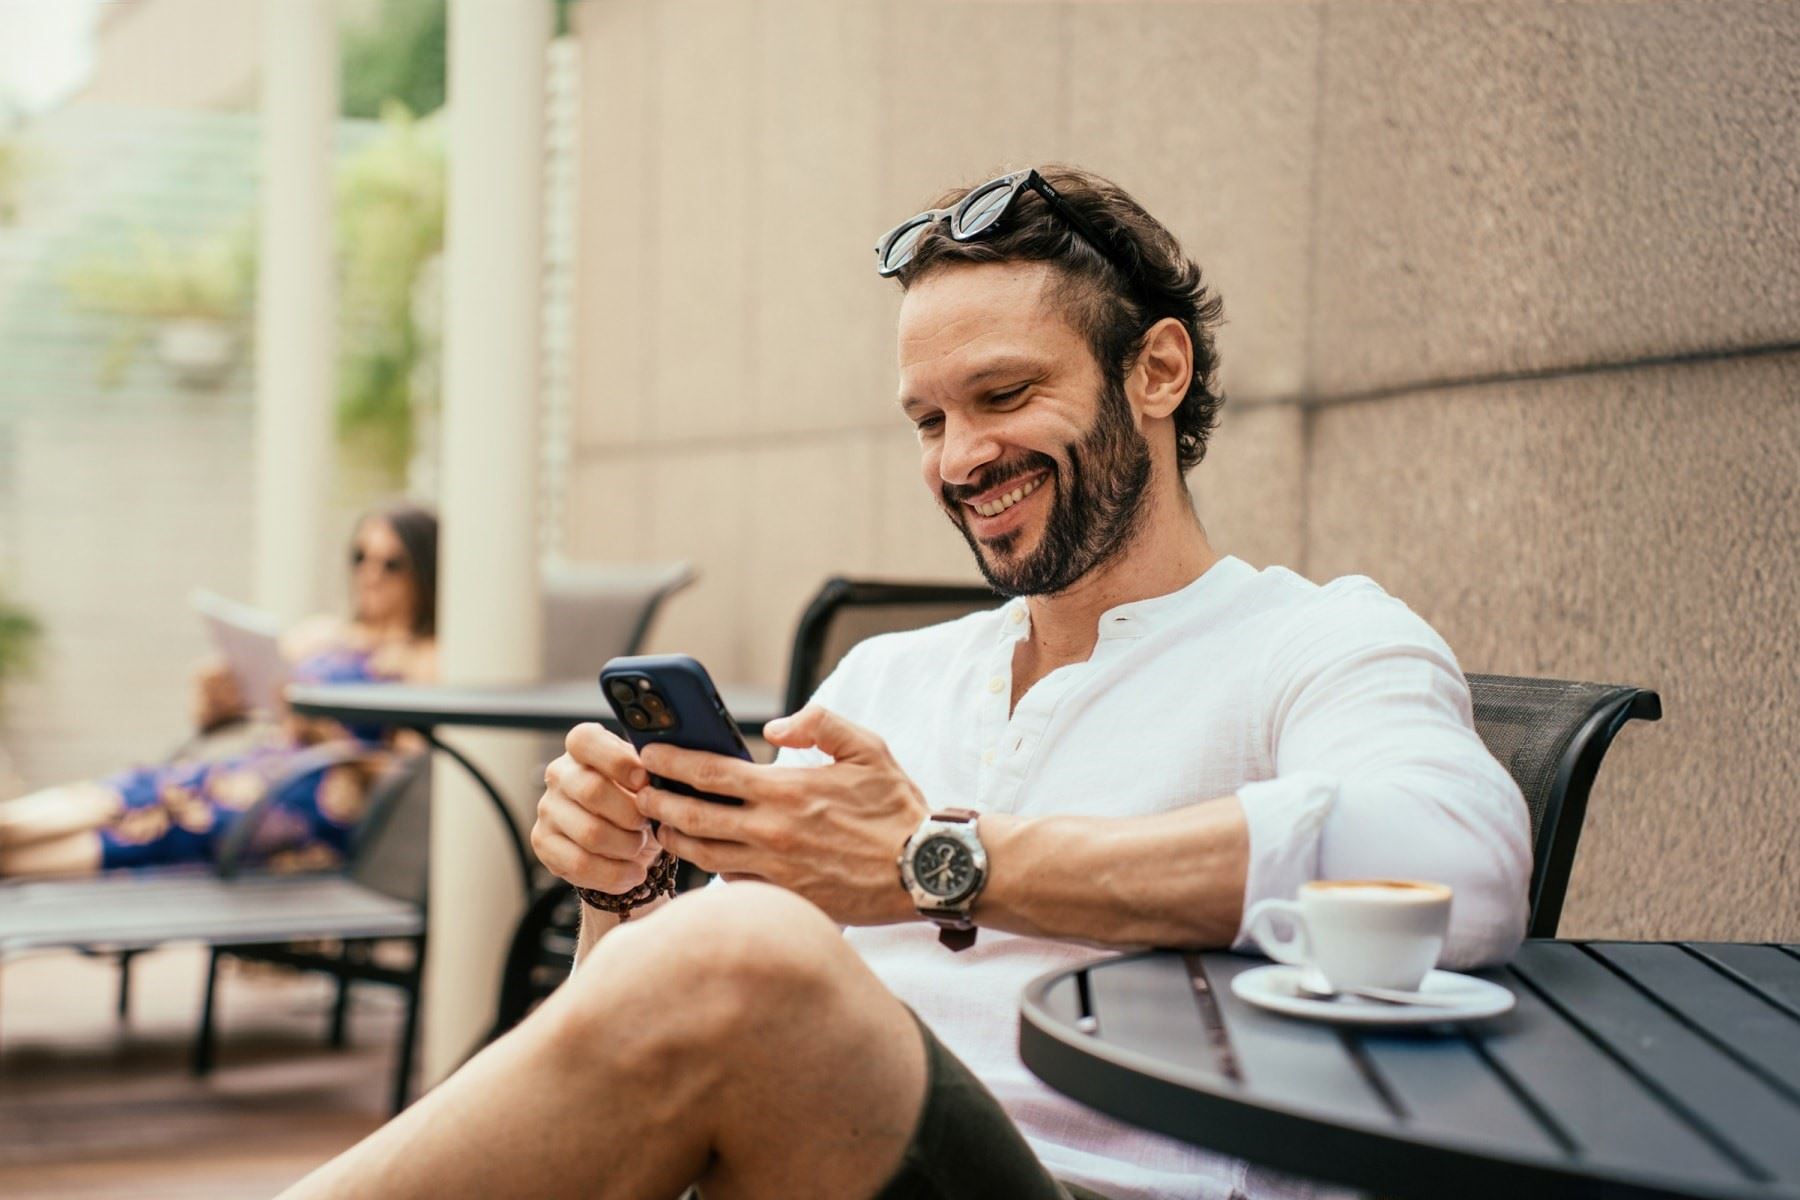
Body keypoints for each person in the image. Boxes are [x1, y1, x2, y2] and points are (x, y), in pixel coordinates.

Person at [279, 167, 1530, 1200]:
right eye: (928, 421)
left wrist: (942, 861)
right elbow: (672, 1031)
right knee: (725, 954)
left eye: (1004, 395)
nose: (961, 458)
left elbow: (1456, 858)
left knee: (745, 957)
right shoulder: (887, 677)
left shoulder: (1311, 641)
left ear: (1157, 370)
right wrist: (628, 888)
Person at [0, 504, 438, 879]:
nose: (370, 574)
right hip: (243, 775)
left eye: (391, 564)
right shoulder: (321, 634)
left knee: (169, 816)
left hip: (299, 806)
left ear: (424, 569)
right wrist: (218, 689)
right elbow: (218, 717)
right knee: (147, 788)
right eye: (361, 557)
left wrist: (325, 734)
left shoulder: (425, 660)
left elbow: (408, 776)